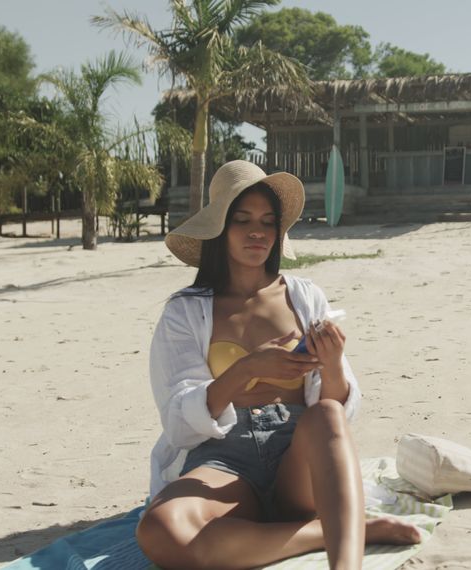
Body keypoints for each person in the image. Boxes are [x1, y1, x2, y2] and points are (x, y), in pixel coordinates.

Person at [137, 161, 420, 569]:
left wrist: (333, 362)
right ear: (220, 229)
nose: (258, 231)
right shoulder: (186, 311)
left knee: (325, 414)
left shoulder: (304, 296)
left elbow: (339, 412)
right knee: (160, 530)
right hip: (224, 457)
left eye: (268, 222)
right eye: (243, 219)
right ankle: (324, 531)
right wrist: (247, 369)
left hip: (298, 454)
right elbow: (180, 422)